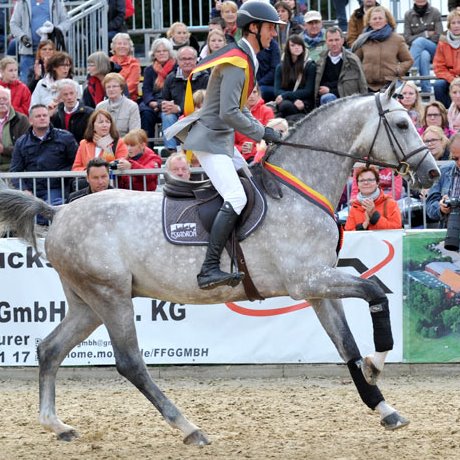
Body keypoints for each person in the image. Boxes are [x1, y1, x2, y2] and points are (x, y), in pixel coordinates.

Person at [164, 0, 284, 290]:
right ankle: (208, 268)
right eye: (270, 28)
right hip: (210, 140)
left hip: (220, 139)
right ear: (253, 28)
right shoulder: (237, 61)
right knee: (238, 197)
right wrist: (262, 132)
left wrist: (262, 130)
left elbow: (237, 109)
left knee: (250, 183)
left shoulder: (245, 58)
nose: (274, 34)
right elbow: (229, 113)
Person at [9, 104, 78, 204]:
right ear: (30, 120)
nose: (42, 118)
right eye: (38, 116)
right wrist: (24, 190)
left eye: (45, 115)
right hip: (31, 190)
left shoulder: (65, 138)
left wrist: (58, 176)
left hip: (57, 188)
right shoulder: (21, 142)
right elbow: (15, 171)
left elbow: (76, 163)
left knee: (48, 210)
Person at [352, 6, 413, 93]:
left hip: (390, 85)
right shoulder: (363, 40)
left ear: (386, 20)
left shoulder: (397, 39)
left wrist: (397, 70)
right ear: (369, 22)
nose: (377, 20)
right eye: (374, 18)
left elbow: (408, 60)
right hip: (367, 86)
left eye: (380, 18)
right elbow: (354, 61)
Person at [160, 46, 209, 155]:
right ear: (177, 61)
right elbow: (163, 98)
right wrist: (164, 105)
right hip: (177, 117)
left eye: (190, 59)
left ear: (196, 60)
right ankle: (172, 151)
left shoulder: (205, 78)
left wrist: (178, 108)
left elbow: (206, 103)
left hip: (198, 115)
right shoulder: (171, 78)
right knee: (167, 115)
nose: (187, 62)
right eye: (183, 59)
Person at [9, 0, 70, 83]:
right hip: (28, 52)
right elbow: (13, 24)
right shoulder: (22, 2)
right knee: (27, 84)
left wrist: (55, 30)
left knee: (54, 83)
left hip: (51, 53)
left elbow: (66, 22)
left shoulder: (56, 2)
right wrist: (22, 36)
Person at [315, 26, 367, 106]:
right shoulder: (320, 61)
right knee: (327, 98)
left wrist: (330, 90)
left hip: (349, 102)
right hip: (327, 103)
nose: (334, 43)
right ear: (326, 42)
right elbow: (320, 87)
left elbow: (362, 84)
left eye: (337, 40)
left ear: (342, 41)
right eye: (331, 40)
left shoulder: (353, 60)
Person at [140, 38, 176, 147]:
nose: (161, 53)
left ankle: (171, 148)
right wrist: (153, 103)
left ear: (169, 52)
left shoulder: (176, 68)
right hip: (153, 103)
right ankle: (147, 149)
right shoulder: (149, 70)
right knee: (145, 114)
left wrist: (162, 105)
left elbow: (176, 90)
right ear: (154, 54)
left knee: (169, 114)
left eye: (164, 51)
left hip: (170, 101)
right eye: (158, 51)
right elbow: (146, 90)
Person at [344, 165, 402, 231]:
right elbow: (348, 235)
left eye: (370, 180)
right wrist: (363, 226)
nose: (366, 183)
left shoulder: (390, 203)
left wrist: (374, 215)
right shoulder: (355, 207)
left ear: (377, 183)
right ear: (358, 185)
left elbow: (397, 230)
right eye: (362, 180)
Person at [403, 0, 443, 95]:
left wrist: (420, 38)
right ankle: (426, 91)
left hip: (434, 49)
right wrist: (426, 34)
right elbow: (407, 38)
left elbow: (439, 35)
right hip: (418, 52)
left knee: (419, 42)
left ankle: (412, 78)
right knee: (424, 55)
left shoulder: (435, 12)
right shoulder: (408, 14)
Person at [274, 34, 316, 119]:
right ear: (288, 48)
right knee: (285, 105)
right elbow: (277, 90)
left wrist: (286, 95)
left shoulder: (310, 65)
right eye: (293, 45)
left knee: (287, 107)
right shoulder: (280, 67)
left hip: (304, 100)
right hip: (286, 100)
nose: (296, 47)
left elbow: (308, 91)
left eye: (299, 45)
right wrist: (291, 98)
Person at [426, 133, 460, 228]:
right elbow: (429, 208)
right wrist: (441, 208)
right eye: (455, 158)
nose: (459, 162)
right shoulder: (443, 172)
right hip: (449, 231)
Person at [235, 83, 274, 161]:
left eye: (254, 92)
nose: (251, 95)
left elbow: (270, 140)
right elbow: (229, 143)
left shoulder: (267, 111)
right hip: (240, 158)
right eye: (248, 92)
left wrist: (254, 150)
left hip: (261, 157)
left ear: (259, 94)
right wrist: (241, 148)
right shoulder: (234, 114)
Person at [96, 73, 141, 137]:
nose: (111, 89)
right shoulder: (100, 107)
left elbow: (134, 133)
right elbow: (96, 131)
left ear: (121, 88)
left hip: (125, 144)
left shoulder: (132, 106)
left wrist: (119, 145)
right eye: (108, 87)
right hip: (104, 143)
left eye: (114, 86)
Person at [50, 78, 94, 144]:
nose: (69, 97)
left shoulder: (89, 113)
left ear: (76, 94)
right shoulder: (56, 114)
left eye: (71, 93)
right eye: (65, 94)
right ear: (60, 97)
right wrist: (49, 117)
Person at [433, 9, 460, 109]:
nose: (456, 25)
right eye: (453, 23)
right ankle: (445, 113)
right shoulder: (443, 42)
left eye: (459, 22)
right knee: (438, 85)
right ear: (449, 25)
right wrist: (452, 79)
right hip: (450, 78)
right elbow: (439, 67)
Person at [0, 86, 30, 172]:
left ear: (10, 101)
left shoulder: (21, 120)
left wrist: (3, 150)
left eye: (5, 99)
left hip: (15, 169)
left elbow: (26, 149)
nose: (2, 102)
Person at [110, 33, 141, 101]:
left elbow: (131, 86)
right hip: (108, 98)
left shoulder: (134, 64)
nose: (122, 46)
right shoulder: (108, 62)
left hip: (128, 100)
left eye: (125, 44)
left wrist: (114, 95)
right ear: (114, 47)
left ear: (129, 47)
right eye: (119, 44)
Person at [256, 37, 280, 103]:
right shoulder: (253, 43)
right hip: (254, 83)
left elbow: (274, 71)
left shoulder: (273, 45)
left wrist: (258, 83)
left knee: (260, 91)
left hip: (269, 85)